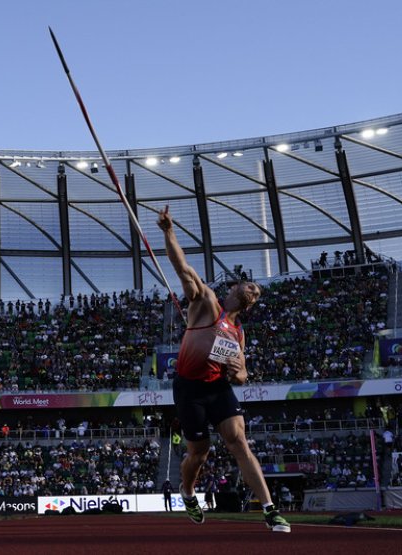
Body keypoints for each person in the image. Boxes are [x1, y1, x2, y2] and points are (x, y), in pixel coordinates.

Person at [157, 205, 290, 533]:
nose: (253, 290)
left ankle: (270, 510)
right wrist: (169, 231)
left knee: (239, 441)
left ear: (251, 304)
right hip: (189, 388)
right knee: (199, 454)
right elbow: (182, 268)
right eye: (249, 286)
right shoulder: (206, 302)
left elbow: (242, 376)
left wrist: (237, 372)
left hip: (218, 388)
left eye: (256, 292)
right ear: (233, 290)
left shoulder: (239, 333)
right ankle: (187, 491)